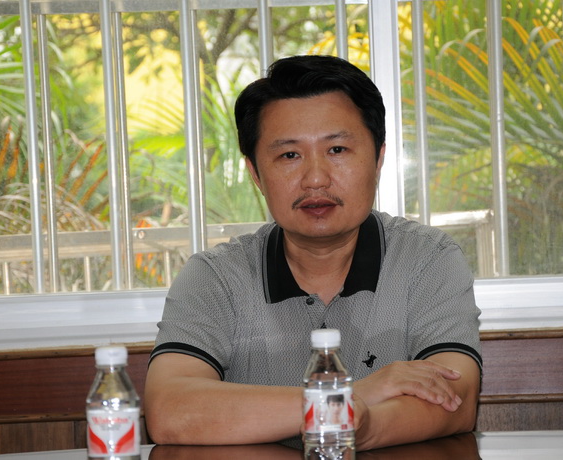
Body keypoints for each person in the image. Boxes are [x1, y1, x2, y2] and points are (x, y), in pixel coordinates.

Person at [144, 55, 482, 450]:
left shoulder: (427, 259)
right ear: (256, 174)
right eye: (290, 155)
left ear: (378, 159)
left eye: (337, 149)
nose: (316, 179)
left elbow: (454, 400)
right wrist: (347, 399)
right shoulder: (215, 276)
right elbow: (170, 410)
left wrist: (357, 424)